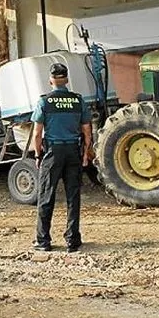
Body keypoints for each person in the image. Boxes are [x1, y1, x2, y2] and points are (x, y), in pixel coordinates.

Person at [31, 63, 93, 253]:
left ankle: (43, 241)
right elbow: (87, 131)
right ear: (66, 80)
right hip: (73, 152)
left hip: (53, 153)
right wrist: (85, 153)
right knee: (73, 197)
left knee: (46, 196)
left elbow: (37, 133)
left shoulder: (44, 102)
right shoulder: (77, 100)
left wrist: (38, 154)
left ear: (50, 80)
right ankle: (72, 240)